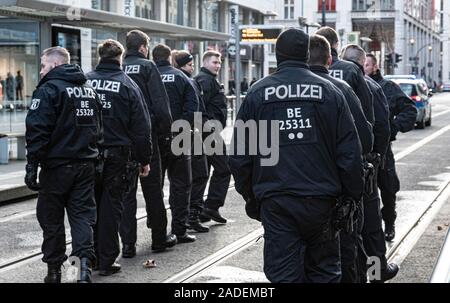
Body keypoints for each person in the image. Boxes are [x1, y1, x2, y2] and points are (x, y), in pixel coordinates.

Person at [230, 28, 364, 283]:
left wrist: (252, 196)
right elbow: (350, 153)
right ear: (306, 54)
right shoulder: (330, 93)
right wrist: (350, 197)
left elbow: (240, 156)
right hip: (322, 201)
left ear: (277, 54)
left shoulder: (258, 94)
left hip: (277, 201)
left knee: (284, 275)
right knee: (324, 273)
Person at [25, 46, 103, 283]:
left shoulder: (49, 90)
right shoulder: (88, 90)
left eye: (43, 65)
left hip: (57, 167)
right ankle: (82, 271)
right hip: (85, 165)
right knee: (82, 218)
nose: (41, 71)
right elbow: (99, 129)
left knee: (51, 219)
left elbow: (37, 130)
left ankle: (54, 271)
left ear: (55, 65)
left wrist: (32, 166)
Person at [308, 36, 373, 283]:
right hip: (331, 194)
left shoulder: (263, 89)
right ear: (330, 59)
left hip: (283, 198)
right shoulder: (340, 90)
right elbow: (362, 142)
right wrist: (354, 194)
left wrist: (256, 199)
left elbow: (246, 151)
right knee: (340, 259)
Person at [86, 39, 152, 276]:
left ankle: (88, 257)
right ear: (120, 58)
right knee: (112, 209)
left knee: (88, 208)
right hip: (118, 158)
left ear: (99, 56)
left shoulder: (85, 81)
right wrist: (145, 159)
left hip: (88, 156)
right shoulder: (128, 84)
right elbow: (141, 127)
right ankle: (106, 260)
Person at [342, 45, 400, 283]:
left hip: (330, 174)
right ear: (361, 63)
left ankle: (351, 275)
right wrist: (377, 157)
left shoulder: (323, 83)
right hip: (364, 168)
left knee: (345, 233)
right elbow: (382, 128)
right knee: (371, 229)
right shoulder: (372, 87)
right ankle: (376, 274)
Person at [121, 30, 176, 255]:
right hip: (147, 137)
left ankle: (128, 245)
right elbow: (161, 105)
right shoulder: (148, 66)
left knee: (127, 194)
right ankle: (158, 240)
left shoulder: (119, 67)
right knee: (153, 191)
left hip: (122, 141)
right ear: (143, 47)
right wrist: (165, 135)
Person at [365, 54, 417, 242]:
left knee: (388, 189)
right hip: (363, 149)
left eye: (367, 65)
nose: (364, 68)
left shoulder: (388, 87)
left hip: (384, 150)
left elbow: (410, 110)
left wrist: (393, 126)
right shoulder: (353, 86)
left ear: (375, 67)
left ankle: (389, 223)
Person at [153, 44, 199, 243]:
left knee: (154, 187)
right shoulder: (182, 77)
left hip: (155, 138)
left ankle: (158, 230)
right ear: (170, 58)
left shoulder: (149, 77)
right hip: (179, 136)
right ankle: (179, 229)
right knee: (181, 185)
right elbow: (192, 107)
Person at [172, 49, 210, 233]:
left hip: (171, 134)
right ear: (180, 65)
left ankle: (181, 218)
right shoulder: (188, 81)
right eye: (189, 65)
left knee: (178, 181)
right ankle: (192, 215)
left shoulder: (162, 77)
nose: (192, 67)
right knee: (199, 174)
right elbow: (195, 109)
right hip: (190, 133)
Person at [194, 51, 231, 224]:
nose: (218, 65)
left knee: (205, 171)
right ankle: (210, 206)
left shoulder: (207, 79)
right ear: (205, 62)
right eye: (215, 62)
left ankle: (202, 209)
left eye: (219, 62)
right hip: (209, 132)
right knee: (224, 168)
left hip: (208, 131)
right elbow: (199, 107)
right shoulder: (205, 80)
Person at [316, 27, 374, 126]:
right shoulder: (351, 69)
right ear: (337, 44)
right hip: (347, 129)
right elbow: (366, 104)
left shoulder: (306, 71)